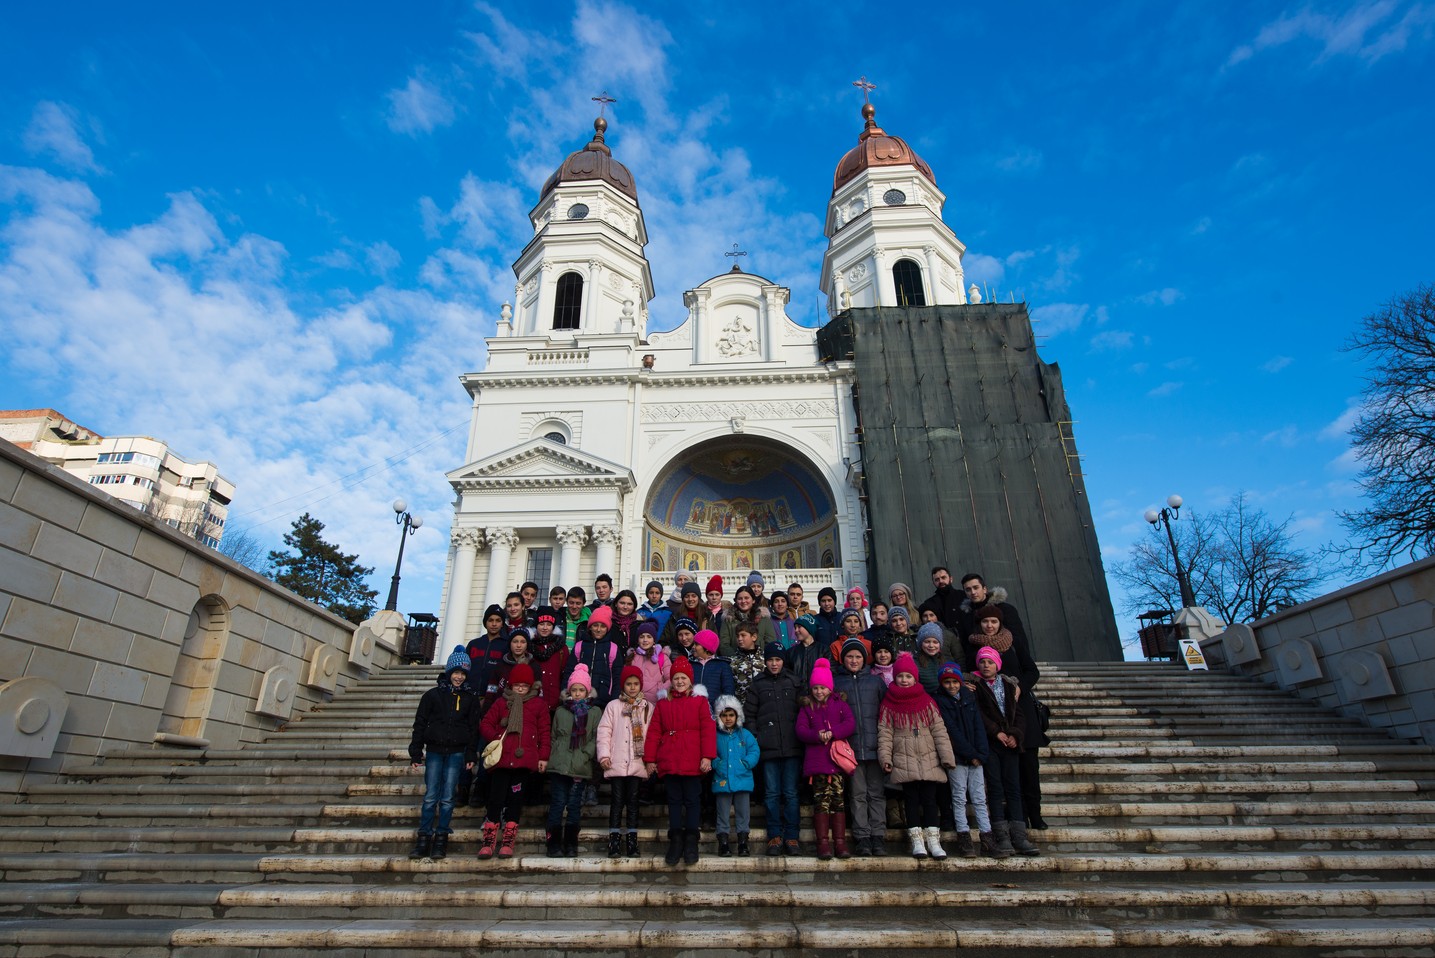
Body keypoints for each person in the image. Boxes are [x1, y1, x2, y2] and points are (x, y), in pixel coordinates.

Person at [963, 593, 1045, 830]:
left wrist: (1019, 688)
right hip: (992, 714)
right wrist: (967, 682)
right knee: (1002, 773)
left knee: (1028, 767)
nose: (989, 626)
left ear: (1000, 623)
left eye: (994, 621)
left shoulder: (1013, 642)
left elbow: (1032, 671)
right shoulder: (973, 646)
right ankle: (1014, 816)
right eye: (985, 622)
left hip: (1019, 709)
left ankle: (1034, 814)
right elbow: (968, 671)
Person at [877, 652, 956, 860]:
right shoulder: (889, 703)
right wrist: (885, 758)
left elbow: (939, 730)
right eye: (900, 676)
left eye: (908, 676)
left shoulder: (927, 700)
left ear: (915, 678)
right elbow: (885, 733)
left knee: (930, 800)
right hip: (904, 758)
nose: (904, 680)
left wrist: (947, 756)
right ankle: (917, 840)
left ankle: (934, 840)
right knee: (911, 801)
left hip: (928, 757)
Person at [407, 647, 480, 861]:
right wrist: (415, 752)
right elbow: (420, 724)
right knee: (431, 796)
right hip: (434, 751)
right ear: (449, 672)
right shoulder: (432, 695)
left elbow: (473, 729)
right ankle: (423, 837)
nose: (459, 677)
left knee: (448, 797)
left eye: (463, 673)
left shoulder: (470, 698)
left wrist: (470, 755)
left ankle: (441, 838)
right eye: (456, 672)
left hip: (456, 752)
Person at [644, 657, 717, 866]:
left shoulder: (700, 701)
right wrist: (650, 759)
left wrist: (707, 756)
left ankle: (691, 839)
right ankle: (676, 839)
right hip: (670, 758)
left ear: (690, 680)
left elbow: (708, 730)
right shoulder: (663, 704)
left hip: (693, 759)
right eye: (676, 678)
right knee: (674, 800)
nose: (679, 681)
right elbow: (654, 732)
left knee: (693, 800)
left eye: (683, 678)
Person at [477, 661, 551, 860]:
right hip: (502, 760)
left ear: (530, 686)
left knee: (515, 801)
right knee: (495, 799)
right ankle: (489, 840)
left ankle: (508, 840)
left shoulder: (538, 705)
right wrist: (496, 738)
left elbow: (545, 732)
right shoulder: (501, 702)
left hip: (523, 761)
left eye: (524, 685)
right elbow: (486, 723)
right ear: (511, 685)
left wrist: (543, 756)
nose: (520, 688)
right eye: (517, 685)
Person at [970, 645, 1039, 857]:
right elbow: (978, 713)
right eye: (982, 662)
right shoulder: (976, 687)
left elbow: (1018, 714)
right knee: (995, 789)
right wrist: (995, 732)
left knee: (1014, 789)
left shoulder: (1009, 686)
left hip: (1010, 744)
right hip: (991, 744)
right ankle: (1001, 835)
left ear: (997, 665)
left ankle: (1019, 835)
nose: (986, 665)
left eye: (990, 662)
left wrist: (1015, 734)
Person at [745, 642, 804, 856]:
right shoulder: (758, 684)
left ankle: (792, 836)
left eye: (777, 659)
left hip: (792, 747)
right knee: (771, 793)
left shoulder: (794, 682)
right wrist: (757, 736)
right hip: (768, 748)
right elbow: (749, 715)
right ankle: (774, 836)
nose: (774, 663)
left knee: (791, 793)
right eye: (770, 660)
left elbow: (803, 712)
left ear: (783, 661)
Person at [795, 659, 857, 860]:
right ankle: (822, 843)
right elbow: (800, 730)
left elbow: (850, 724)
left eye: (822, 688)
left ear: (830, 688)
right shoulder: (807, 708)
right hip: (817, 763)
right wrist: (816, 735)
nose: (819, 692)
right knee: (821, 801)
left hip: (837, 762)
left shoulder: (840, 704)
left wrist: (834, 732)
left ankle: (840, 842)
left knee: (838, 801)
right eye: (815, 688)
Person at [833, 636, 889, 856]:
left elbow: (885, 713)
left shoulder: (875, 682)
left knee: (876, 793)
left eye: (858, 656)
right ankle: (862, 837)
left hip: (875, 746)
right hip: (852, 748)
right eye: (849, 656)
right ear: (843, 659)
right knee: (857, 794)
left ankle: (878, 836)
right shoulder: (838, 683)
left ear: (864, 659)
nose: (854, 660)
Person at [933, 662, 995, 858]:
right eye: (947, 682)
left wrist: (981, 754)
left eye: (955, 682)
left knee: (979, 798)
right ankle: (964, 837)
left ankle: (987, 837)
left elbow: (979, 726)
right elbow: (951, 731)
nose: (951, 686)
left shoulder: (969, 698)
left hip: (976, 757)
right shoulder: (939, 701)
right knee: (959, 798)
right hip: (957, 758)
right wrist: (971, 754)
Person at [596, 665, 652, 859]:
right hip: (617, 761)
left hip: (637, 762)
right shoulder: (613, 706)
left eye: (636, 683)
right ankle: (614, 840)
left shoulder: (647, 707)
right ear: (623, 685)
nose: (632, 687)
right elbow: (604, 731)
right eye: (629, 684)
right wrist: (604, 755)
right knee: (617, 801)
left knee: (633, 802)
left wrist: (650, 760)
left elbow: (651, 735)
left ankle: (632, 840)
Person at [459, 605, 509, 807]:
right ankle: (463, 787)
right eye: (491, 620)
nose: (494, 624)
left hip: (492, 702)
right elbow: (463, 670)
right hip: (470, 700)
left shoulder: (505, 645)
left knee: (486, 745)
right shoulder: (474, 644)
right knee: (467, 745)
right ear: (485, 622)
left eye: (498, 621)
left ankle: (480, 788)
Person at [545, 666, 598, 857]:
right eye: (574, 690)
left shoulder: (594, 712)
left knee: (574, 805)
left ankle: (571, 843)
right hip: (560, 764)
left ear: (587, 691)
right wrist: (555, 753)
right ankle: (553, 843)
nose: (577, 693)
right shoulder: (561, 711)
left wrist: (586, 754)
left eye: (581, 690)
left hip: (579, 764)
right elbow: (553, 736)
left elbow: (595, 737)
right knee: (558, 802)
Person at [711, 694, 759, 857]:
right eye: (724, 715)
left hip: (742, 778)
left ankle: (743, 841)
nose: (728, 718)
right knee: (722, 812)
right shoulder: (715, 735)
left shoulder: (744, 734)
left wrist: (746, 763)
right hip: (722, 779)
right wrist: (716, 763)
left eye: (731, 715)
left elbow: (754, 750)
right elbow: (710, 752)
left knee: (743, 812)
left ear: (737, 715)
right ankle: (723, 842)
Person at [563, 604, 620, 707]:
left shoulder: (613, 648)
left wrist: (614, 700)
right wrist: (565, 692)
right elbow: (569, 671)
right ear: (590, 627)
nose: (598, 629)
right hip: (580, 698)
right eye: (595, 625)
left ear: (607, 628)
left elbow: (617, 676)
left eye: (603, 626)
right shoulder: (580, 646)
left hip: (604, 700)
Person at [529, 607, 569, 712]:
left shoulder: (561, 648)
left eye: (549, 624)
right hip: (533, 702)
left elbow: (565, 674)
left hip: (556, 702)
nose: (545, 628)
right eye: (541, 624)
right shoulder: (529, 647)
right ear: (536, 626)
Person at [717, 586, 776, 657]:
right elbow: (724, 645)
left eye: (746, 598)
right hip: (734, 660)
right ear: (736, 601)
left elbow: (770, 642)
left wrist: (759, 658)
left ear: (753, 600)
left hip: (760, 660)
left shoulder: (763, 618)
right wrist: (736, 659)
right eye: (740, 599)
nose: (743, 601)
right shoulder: (728, 619)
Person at [625, 620, 670, 704]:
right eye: (642, 637)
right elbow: (625, 679)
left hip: (656, 703)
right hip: (635, 704)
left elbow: (670, 678)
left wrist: (660, 690)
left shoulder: (662, 657)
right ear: (638, 640)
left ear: (654, 640)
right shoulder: (632, 657)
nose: (645, 640)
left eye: (649, 637)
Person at [689, 628, 735, 706]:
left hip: (715, 709)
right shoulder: (690, 664)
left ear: (706, 647)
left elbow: (728, 691)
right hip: (693, 708)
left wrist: (724, 709)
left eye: (696, 644)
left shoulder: (722, 665)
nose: (693, 647)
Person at [659, 583, 710, 648]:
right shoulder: (675, 617)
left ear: (698, 598)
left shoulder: (707, 615)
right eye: (687, 596)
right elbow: (665, 640)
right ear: (683, 599)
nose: (690, 599)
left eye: (693, 596)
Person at [729, 621, 765, 701]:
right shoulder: (732, 661)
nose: (739, 639)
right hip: (741, 704)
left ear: (754, 637)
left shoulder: (764, 659)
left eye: (743, 635)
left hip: (762, 704)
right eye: (737, 636)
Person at [785, 614, 826, 685]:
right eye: (795, 627)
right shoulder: (791, 652)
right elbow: (787, 674)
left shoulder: (823, 650)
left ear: (809, 628)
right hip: (796, 690)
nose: (796, 630)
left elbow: (830, 673)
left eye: (799, 627)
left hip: (817, 690)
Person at [914, 623, 947, 696]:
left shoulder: (945, 661)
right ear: (921, 643)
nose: (931, 645)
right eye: (927, 642)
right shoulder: (915, 662)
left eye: (935, 642)